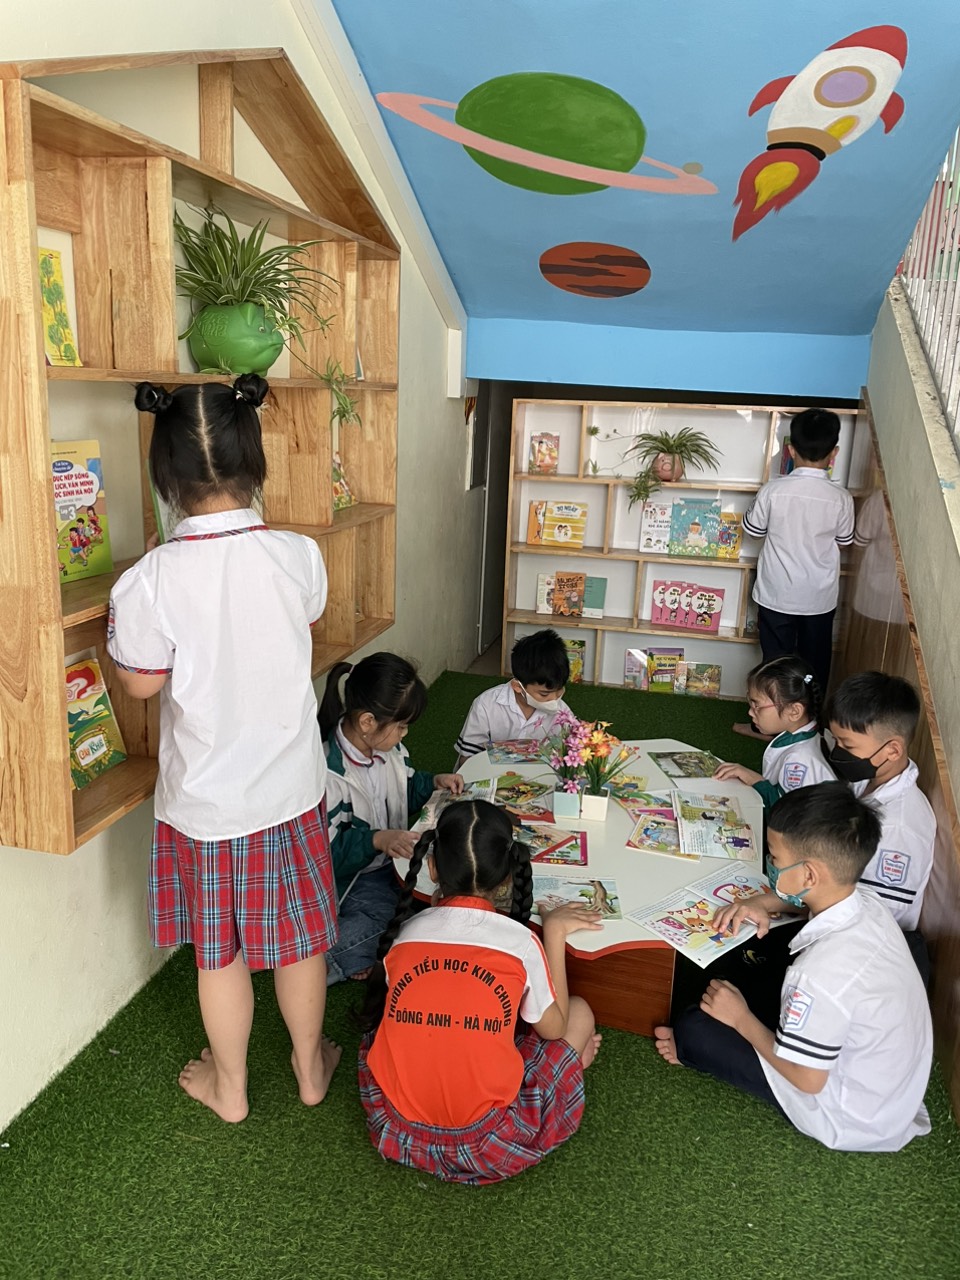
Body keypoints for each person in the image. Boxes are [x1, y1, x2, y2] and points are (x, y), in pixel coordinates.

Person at [106, 376, 339, 1123]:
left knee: (221, 951)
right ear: (255, 461)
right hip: (290, 789)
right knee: (300, 941)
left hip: (206, 804)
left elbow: (141, 683)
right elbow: (298, 623)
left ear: (164, 478)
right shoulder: (299, 555)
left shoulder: (150, 579)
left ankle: (230, 1088)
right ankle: (310, 1068)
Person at [655, 783, 933, 1152]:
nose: (771, 865)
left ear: (810, 875)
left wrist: (741, 1020)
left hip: (847, 1114)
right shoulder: (865, 899)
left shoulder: (818, 975)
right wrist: (765, 902)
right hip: (885, 1079)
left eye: (775, 858)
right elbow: (807, 906)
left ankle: (696, 1045)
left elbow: (808, 1080)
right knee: (760, 957)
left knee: (693, 1029)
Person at [357, 800, 602, 1184]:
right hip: (485, 1142)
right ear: (505, 880)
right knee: (580, 1013)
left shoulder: (405, 936)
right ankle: (572, 1066)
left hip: (396, 1126)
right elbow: (555, 1029)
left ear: (432, 868)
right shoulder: (521, 943)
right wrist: (553, 933)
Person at [318, 653, 464, 985]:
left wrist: (432, 784)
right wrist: (376, 840)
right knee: (400, 920)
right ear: (367, 722)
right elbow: (325, 855)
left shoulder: (390, 750)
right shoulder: (328, 774)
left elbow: (405, 786)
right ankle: (323, 959)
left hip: (391, 868)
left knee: (438, 904)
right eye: (400, 726)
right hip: (354, 881)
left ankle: (369, 948)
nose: (404, 734)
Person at [739, 408, 854, 727]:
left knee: (775, 664)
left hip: (776, 594)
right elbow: (845, 540)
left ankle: (768, 726)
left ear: (790, 450)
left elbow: (752, 530)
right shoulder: (841, 498)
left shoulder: (773, 490)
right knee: (814, 666)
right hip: (818, 598)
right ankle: (810, 727)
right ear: (834, 453)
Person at [824, 671, 936, 979]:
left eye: (847, 745)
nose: (837, 752)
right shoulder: (868, 780)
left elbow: (875, 918)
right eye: (836, 740)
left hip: (862, 956)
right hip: (834, 916)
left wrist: (791, 899)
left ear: (892, 750)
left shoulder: (899, 828)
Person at [715, 655, 836, 809]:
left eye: (757, 706)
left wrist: (754, 779)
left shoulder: (799, 761)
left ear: (794, 711)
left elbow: (783, 812)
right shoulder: (808, 736)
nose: (750, 712)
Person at [454, 628, 571, 765]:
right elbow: (467, 758)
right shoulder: (486, 705)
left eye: (559, 691)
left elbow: (571, 754)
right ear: (517, 686)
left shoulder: (563, 713)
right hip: (490, 772)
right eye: (544, 694)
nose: (554, 699)